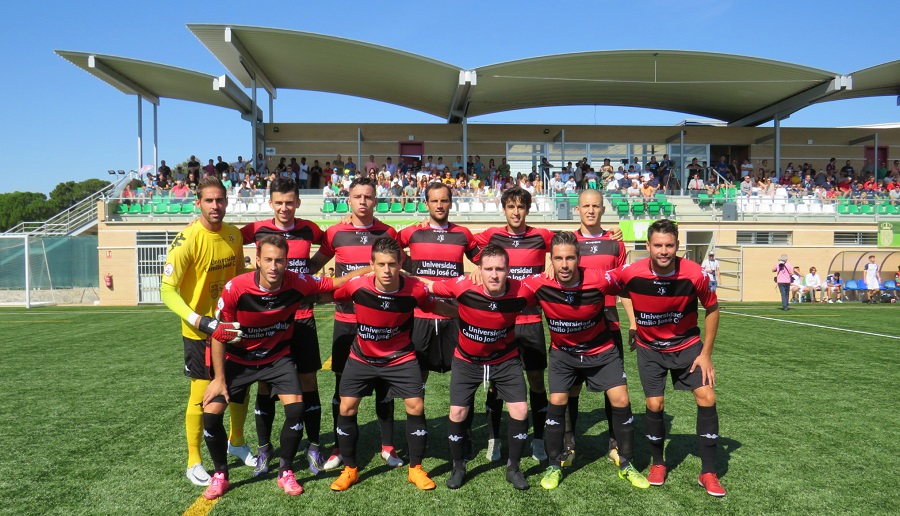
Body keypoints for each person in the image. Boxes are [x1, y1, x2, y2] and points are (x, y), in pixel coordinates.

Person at [199, 234, 353, 500]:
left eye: (279, 261)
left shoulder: (298, 281)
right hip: (239, 359)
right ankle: (220, 475)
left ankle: (286, 471)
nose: (273, 266)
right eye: (268, 260)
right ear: (257, 260)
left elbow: (335, 282)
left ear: (287, 262)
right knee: (211, 414)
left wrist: (371, 269)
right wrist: (219, 379)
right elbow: (220, 334)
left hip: (277, 357)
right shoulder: (235, 288)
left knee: (296, 409)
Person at [329, 237, 458, 492]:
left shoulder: (415, 289)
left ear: (401, 262)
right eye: (381, 264)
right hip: (362, 357)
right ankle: (350, 470)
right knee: (346, 407)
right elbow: (330, 293)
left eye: (392, 264)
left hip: (400, 357)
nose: (387, 270)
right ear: (372, 265)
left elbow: (434, 306)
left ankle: (416, 469)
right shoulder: (356, 286)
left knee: (416, 405)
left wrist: (467, 314)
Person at [523, 232, 649, 491]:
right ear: (551, 260)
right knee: (557, 401)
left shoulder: (598, 279)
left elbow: (632, 277)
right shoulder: (538, 283)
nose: (565, 264)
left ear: (579, 258)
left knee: (621, 400)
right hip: (563, 355)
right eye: (558, 258)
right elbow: (505, 288)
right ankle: (554, 465)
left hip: (602, 351)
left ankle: (626, 464)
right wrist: (480, 275)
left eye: (570, 257)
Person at [615, 219, 726, 497]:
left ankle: (708, 472)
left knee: (707, 397)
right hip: (650, 349)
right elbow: (603, 285)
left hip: (687, 346)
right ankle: (658, 463)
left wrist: (706, 354)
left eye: (669, 245)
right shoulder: (631, 273)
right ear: (648, 246)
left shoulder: (695, 274)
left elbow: (712, 309)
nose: (663, 251)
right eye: (657, 245)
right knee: (654, 403)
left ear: (678, 246)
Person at [159, 177, 255, 487]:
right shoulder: (186, 240)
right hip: (199, 333)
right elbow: (167, 290)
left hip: (231, 328)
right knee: (201, 395)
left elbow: (239, 277)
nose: (216, 206)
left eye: (221, 200)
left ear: (227, 202)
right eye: (209, 201)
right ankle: (193, 460)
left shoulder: (233, 235)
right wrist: (198, 320)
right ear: (198, 203)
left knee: (240, 389)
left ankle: (237, 441)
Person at [307, 176, 405, 470]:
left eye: (369, 197)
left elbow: (403, 267)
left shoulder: (388, 232)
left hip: (383, 321)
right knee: (342, 386)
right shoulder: (335, 232)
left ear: (376, 201)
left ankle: (388, 446)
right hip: (346, 321)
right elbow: (312, 267)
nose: (363, 201)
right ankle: (339, 446)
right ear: (348, 200)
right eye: (358, 196)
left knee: (384, 386)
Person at [424, 245, 537, 490]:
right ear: (479, 270)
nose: (494, 274)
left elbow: (552, 286)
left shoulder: (522, 291)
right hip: (467, 361)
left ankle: (514, 468)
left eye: (499, 269)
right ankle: (458, 467)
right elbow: (428, 285)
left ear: (509, 270)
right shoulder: (463, 285)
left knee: (520, 410)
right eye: (488, 269)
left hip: (505, 361)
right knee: (457, 414)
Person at [239, 177, 330, 475]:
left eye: (289, 202)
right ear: (271, 203)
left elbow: (329, 244)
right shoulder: (256, 229)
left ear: (298, 203)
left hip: (302, 319)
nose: (284, 208)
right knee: (265, 384)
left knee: (308, 383)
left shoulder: (308, 229)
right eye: (279, 202)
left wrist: (311, 272)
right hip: (268, 321)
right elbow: (227, 239)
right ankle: (265, 450)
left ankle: (314, 445)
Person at [473, 187, 553, 462]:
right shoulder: (492, 236)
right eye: (511, 206)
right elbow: (459, 239)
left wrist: (553, 260)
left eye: (521, 207)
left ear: (527, 209)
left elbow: (572, 242)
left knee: (536, 383)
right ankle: (494, 439)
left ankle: (539, 439)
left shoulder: (541, 236)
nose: (516, 212)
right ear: (504, 209)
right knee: (495, 383)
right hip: (500, 322)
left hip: (531, 321)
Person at [566, 190, 625, 467]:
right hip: (573, 323)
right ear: (577, 210)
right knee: (571, 389)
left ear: (603, 209)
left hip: (608, 320)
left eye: (596, 206)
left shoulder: (614, 243)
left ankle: (614, 444)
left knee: (613, 388)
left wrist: (634, 325)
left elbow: (623, 286)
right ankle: (568, 444)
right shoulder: (567, 243)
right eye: (586, 206)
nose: (591, 210)